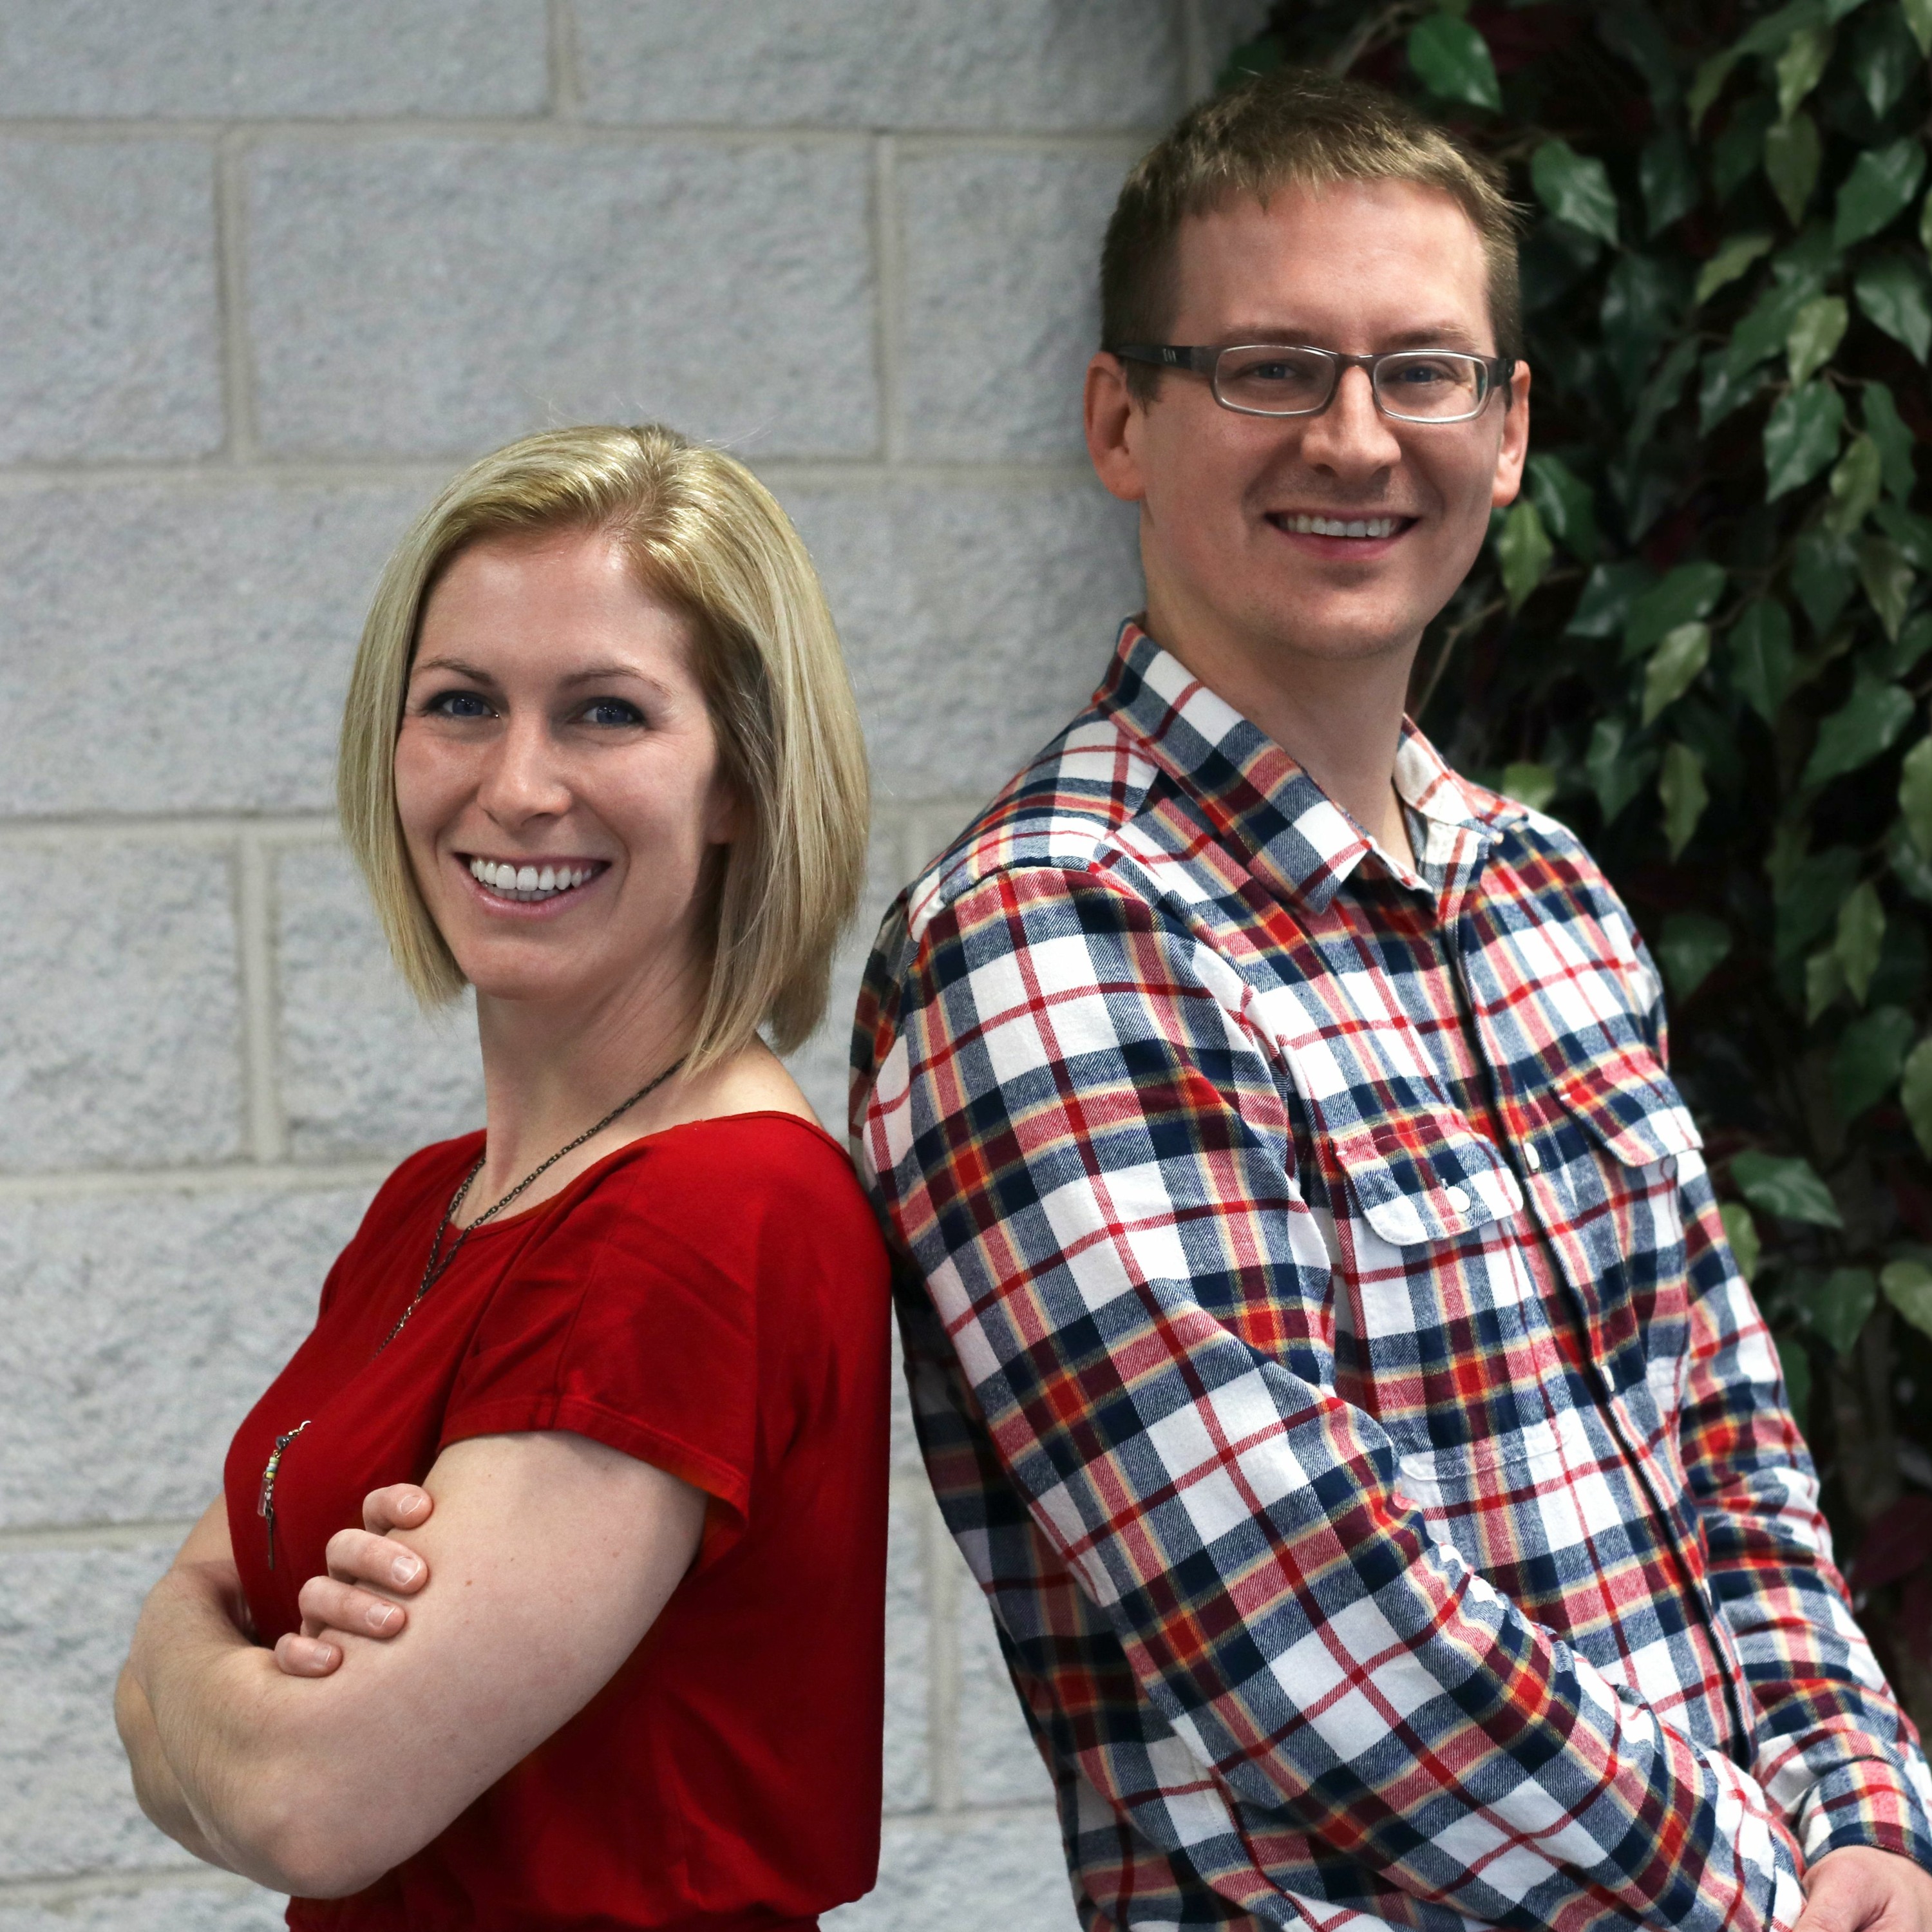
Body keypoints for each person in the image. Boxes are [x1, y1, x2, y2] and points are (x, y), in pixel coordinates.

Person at [850, 66, 1932, 1932]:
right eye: (1269, 368)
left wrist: (1869, 1816)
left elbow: (1729, 1440)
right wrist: (1773, 1897)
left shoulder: (1546, 893)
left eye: (1423, 372)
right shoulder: (1050, 936)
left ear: (1507, 431)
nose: (1355, 442)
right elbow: (1312, 1633)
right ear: (1120, 422)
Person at [115, 423, 891, 1931]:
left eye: (606, 713)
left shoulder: (707, 1215)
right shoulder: (438, 1203)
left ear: (740, 780)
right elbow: (193, 1747)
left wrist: (179, 1651)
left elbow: (305, 1803)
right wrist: (199, 1666)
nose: (519, 787)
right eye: (462, 704)